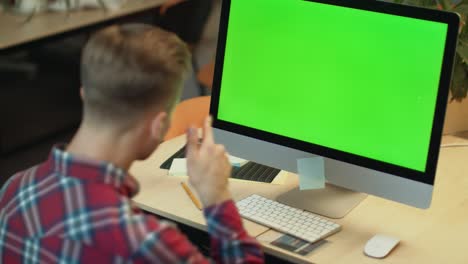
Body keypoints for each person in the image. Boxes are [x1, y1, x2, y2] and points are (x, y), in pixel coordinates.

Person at [0, 24, 264, 263]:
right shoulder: (145, 243)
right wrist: (215, 195)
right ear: (159, 126)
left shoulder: (14, 189)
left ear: (84, 94)